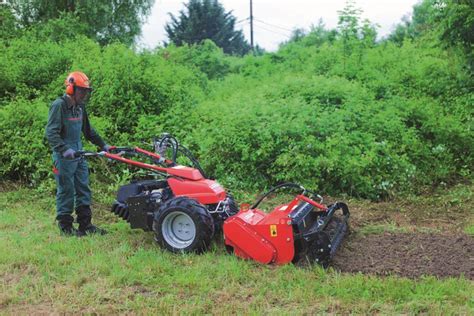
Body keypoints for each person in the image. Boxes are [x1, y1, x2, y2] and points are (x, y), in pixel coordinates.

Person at [45, 71, 109, 236]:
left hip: (79, 153)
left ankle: (85, 225)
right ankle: (66, 227)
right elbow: (51, 133)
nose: (84, 94)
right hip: (64, 155)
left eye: (86, 91)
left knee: (83, 188)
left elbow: (88, 131)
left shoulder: (80, 107)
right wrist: (64, 149)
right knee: (66, 189)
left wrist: (103, 145)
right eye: (81, 90)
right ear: (71, 89)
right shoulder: (59, 106)